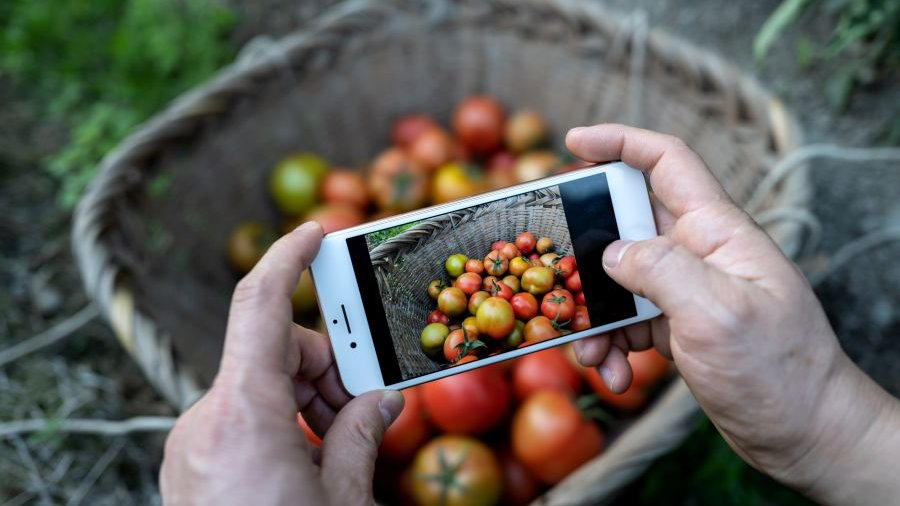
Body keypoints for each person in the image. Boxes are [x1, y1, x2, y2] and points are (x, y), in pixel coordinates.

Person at [160, 124, 900, 505]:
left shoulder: (514, 294)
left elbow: (495, 297)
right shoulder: (502, 299)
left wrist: (822, 422)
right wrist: (828, 420)